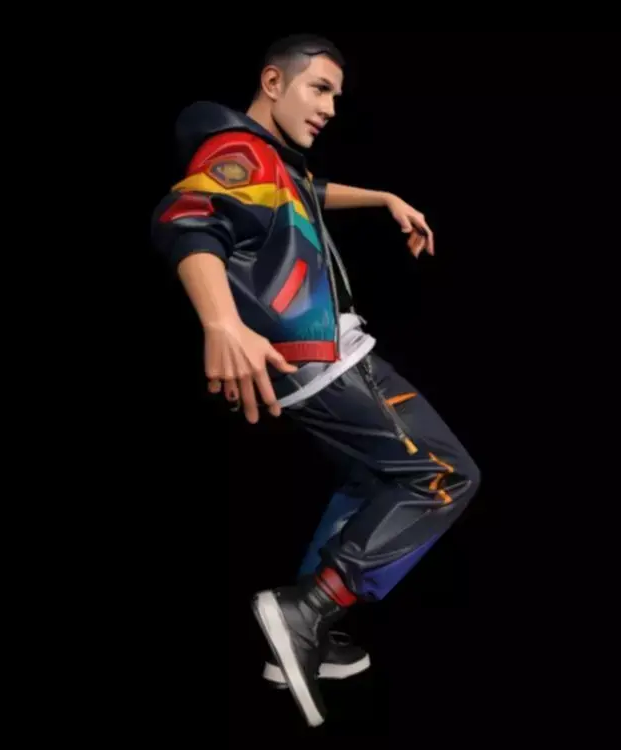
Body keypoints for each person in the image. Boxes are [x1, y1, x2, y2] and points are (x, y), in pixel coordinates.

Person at [150, 34, 481, 727]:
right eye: (319, 88)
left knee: (371, 481)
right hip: (329, 364)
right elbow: (189, 216)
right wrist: (220, 323)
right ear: (273, 82)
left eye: (337, 95)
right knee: (445, 474)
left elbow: (311, 192)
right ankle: (310, 607)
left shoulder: (274, 165)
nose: (330, 107)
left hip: (311, 365)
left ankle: (298, 633)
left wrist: (384, 197)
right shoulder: (238, 151)